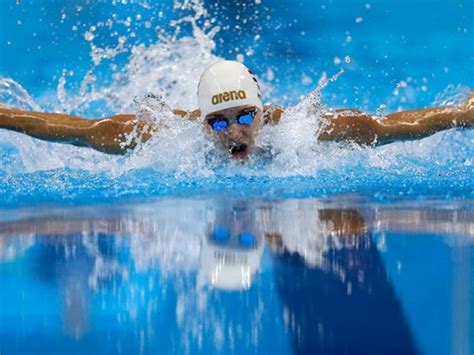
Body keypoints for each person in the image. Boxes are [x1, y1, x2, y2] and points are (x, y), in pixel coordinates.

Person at [0, 60, 472, 158]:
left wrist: (462, 115)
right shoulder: (161, 137)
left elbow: (389, 126)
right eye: (218, 121)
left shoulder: (308, 129)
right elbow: (76, 130)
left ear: (263, 110)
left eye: (246, 116)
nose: (233, 132)